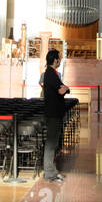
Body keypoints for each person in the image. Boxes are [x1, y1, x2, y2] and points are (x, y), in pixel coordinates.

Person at [42, 48, 69, 183]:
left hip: (56, 112)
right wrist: (64, 89)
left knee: (54, 143)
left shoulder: (52, 73)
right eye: (59, 58)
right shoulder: (50, 74)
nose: (60, 60)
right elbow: (61, 90)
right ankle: (49, 173)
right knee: (51, 143)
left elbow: (64, 88)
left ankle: (52, 170)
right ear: (54, 60)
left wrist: (64, 89)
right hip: (53, 113)